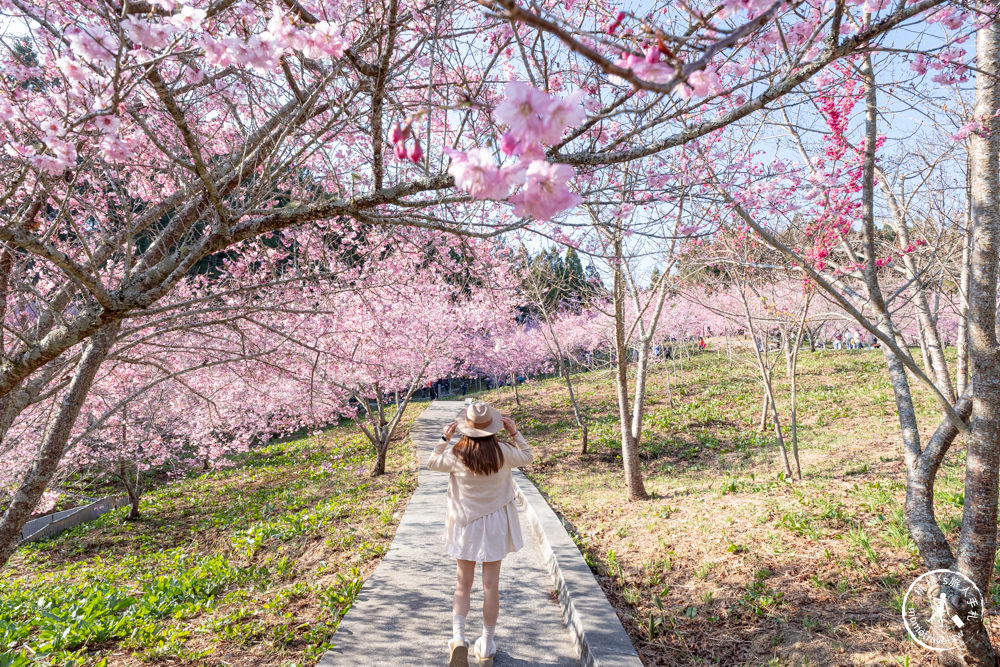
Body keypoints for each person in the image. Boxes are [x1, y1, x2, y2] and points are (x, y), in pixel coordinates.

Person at [429, 401, 533, 667]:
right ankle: (486, 644)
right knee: (491, 587)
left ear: (466, 427)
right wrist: (514, 433)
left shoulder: (456, 453)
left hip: (465, 525)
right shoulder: (504, 452)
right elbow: (528, 456)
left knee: (463, 585)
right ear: (493, 427)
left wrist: (444, 438)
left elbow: (432, 463)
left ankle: (459, 637)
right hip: (496, 524)